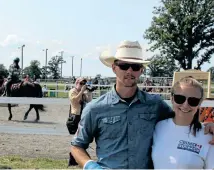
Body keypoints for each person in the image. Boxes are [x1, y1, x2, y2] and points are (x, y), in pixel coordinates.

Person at [70, 40, 214, 169]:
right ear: (114, 68)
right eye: (124, 65)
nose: (129, 71)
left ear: (141, 70)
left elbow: (183, 115)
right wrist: (90, 165)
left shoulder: (155, 104)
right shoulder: (95, 109)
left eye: (135, 66)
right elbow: (77, 146)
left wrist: (208, 127)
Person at [152, 77, 214, 169]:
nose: (185, 105)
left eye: (193, 101)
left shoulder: (208, 137)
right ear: (172, 99)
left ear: (200, 103)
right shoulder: (158, 127)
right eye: (179, 98)